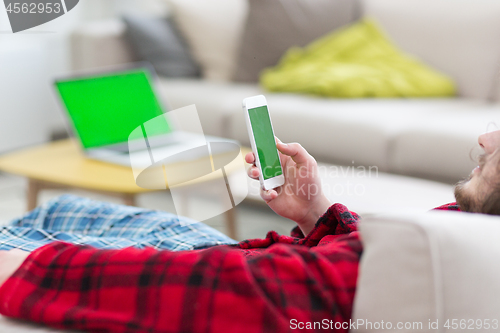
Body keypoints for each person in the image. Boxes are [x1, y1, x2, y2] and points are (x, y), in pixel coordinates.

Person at [0, 130, 496, 333]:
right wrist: (317, 214)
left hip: (231, 267)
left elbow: (235, 290)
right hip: (260, 257)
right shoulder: (475, 222)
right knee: (62, 208)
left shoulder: (466, 245)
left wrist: (31, 269)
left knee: (30, 238)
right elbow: (387, 261)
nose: (486, 138)